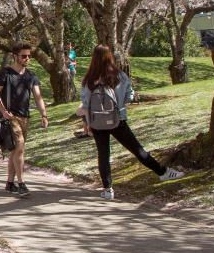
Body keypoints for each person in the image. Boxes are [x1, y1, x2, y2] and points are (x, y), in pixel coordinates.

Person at [79, 44, 184, 200]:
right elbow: (129, 96)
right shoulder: (119, 75)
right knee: (136, 148)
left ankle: (108, 189)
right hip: (118, 119)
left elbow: (85, 104)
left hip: (97, 121)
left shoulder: (89, 80)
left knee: (103, 154)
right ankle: (162, 172)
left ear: (93, 58)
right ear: (110, 57)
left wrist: (86, 124)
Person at [0, 42, 48, 197]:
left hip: (25, 118)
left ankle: (10, 183)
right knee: (20, 148)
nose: (27, 58)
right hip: (10, 118)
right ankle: (21, 183)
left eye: (29, 56)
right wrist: (3, 111)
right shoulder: (5, 73)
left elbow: (38, 97)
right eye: (24, 56)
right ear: (15, 56)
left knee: (15, 151)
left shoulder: (31, 76)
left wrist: (44, 115)